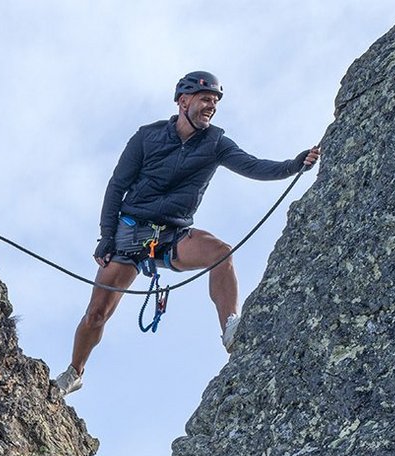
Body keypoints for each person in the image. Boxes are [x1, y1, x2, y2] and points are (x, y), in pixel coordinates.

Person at [55, 71, 321, 396]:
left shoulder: (217, 144)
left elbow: (253, 166)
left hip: (173, 235)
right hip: (129, 233)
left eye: (215, 101)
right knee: (96, 314)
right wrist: (106, 236)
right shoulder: (147, 137)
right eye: (205, 99)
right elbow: (117, 186)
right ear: (184, 101)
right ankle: (75, 372)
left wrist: (294, 165)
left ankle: (230, 328)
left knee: (220, 252)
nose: (211, 106)